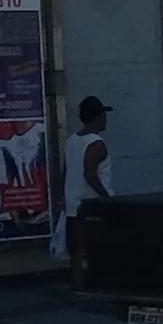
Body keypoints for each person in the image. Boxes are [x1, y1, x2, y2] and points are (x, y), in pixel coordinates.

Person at [53, 95, 113, 260]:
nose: (106, 121)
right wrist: (107, 197)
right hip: (91, 205)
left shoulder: (72, 141)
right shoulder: (96, 144)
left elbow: (66, 171)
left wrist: (63, 196)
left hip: (72, 206)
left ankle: (77, 283)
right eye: (104, 116)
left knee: (76, 254)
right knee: (95, 252)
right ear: (98, 117)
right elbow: (90, 175)